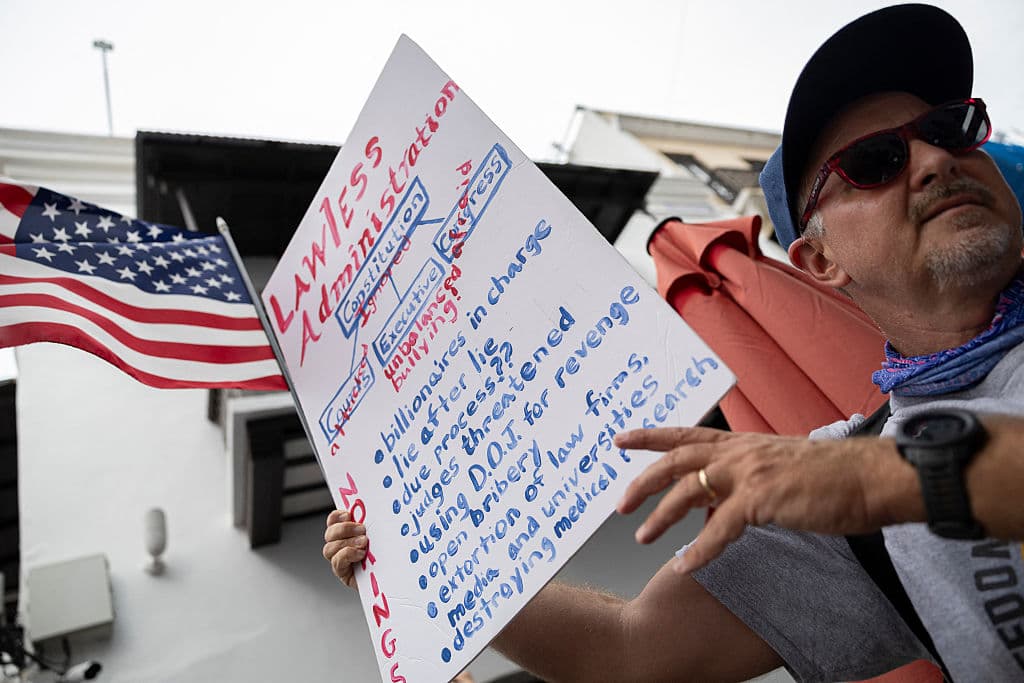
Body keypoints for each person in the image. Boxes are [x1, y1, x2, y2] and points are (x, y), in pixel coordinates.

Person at [324, 4, 1024, 680]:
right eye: (875, 161)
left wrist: (879, 477)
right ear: (819, 262)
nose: (936, 158)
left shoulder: (847, 475)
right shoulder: (838, 482)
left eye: (951, 127)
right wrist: (427, 567)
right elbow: (628, 653)